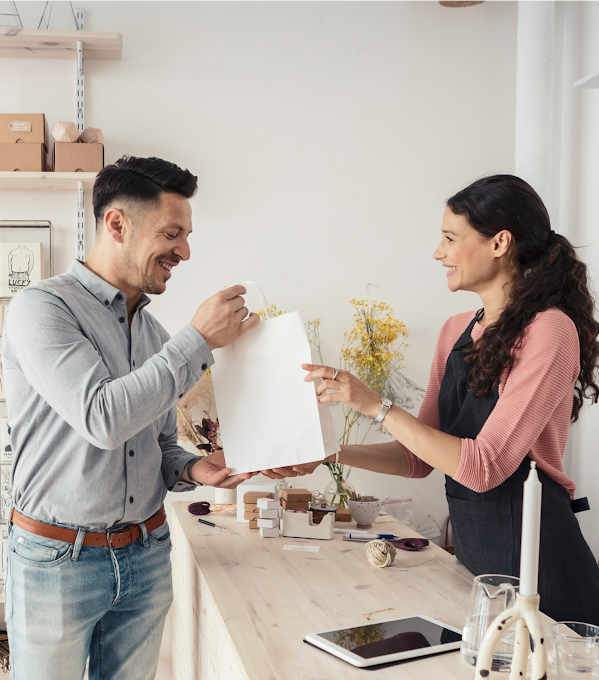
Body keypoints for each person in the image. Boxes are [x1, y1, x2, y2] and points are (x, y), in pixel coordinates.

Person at [1, 155, 297, 680]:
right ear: (117, 223)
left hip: (145, 552)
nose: (183, 251)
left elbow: (155, 445)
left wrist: (196, 469)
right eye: (172, 233)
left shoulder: (156, 336)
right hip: (56, 560)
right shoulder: (41, 309)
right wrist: (199, 339)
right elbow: (103, 417)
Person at [302, 174, 599, 624]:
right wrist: (328, 453)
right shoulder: (454, 332)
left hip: (543, 571)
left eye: (449, 238)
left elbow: (485, 468)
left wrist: (374, 405)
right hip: (479, 566)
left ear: (500, 242)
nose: (438, 252)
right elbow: (418, 457)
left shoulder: (549, 331)